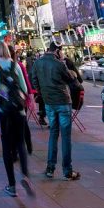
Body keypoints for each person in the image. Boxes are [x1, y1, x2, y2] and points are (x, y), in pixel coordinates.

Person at [0, 40, 30, 197]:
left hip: (4, 111)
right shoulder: (15, 65)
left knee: (6, 146)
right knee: (20, 143)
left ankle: (12, 186)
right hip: (19, 110)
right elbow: (24, 88)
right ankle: (25, 175)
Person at [31, 43, 80, 180]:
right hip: (63, 102)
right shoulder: (59, 64)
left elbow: (34, 80)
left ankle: (50, 168)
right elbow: (72, 81)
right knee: (65, 136)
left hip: (49, 103)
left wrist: (43, 93)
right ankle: (67, 171)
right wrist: (73, 73)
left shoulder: (37, 63)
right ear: (58, 51)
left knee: (53, 134)